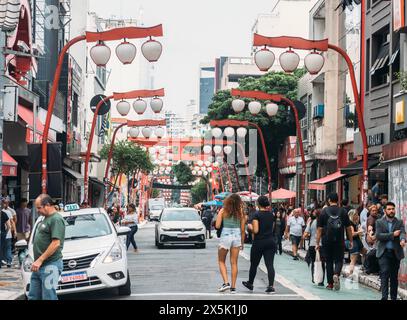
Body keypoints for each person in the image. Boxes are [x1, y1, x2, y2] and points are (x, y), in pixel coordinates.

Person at [28, 194, 65, 300]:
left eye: (39, 207)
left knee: (49, 297)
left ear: (47, 205)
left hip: (50, 265)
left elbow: (55, 243)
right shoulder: (45, 219)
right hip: (39, 266)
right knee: (33, 296)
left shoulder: (56, 219)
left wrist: (40, 260)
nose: (38, 210)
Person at [316, 193, 353, 291]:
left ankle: (330, 284)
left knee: (328, 261)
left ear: (329, 200)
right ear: (338, 200)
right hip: (339, 240)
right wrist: (350, 240)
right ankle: (336, 274)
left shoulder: (324, 212)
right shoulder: (343, 211)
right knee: (339, 260)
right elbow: (348, 228)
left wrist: (317, 243)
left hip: (326, 240)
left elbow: (319, 229)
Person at [242, 196, 277, 293]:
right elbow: (272, 228)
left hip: (259, 242)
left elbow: (256, 230)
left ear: (258, 204)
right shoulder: (271, 215)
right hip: (270, 241)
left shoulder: (256, 214)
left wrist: (249, 227)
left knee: (254, 264)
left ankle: (250, 283)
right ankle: (271, 286)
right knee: (270, 264)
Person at [375, 202, 406, 300]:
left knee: (393, 277)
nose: (391, 211)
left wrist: (402, 240)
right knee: (384, 273)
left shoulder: (399, 222)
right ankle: (384, 297)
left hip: (395, 253)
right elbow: (378, 236)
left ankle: (393, 297)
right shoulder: (379, 222)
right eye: (389, 209)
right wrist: (393, 234)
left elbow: (402, 233)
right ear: (385, 211)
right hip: (384, 252)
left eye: (393, 209)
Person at [216, 194, 246, 294]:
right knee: (234, 263)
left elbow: (217, 225)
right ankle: (233, 288)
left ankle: (226, 283)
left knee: (221, 260)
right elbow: (242, 230)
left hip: (225, 235)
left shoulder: (223, 210)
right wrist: (242, 243)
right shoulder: (240, 212)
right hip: (237, 236)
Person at [304, 208, 325, 286]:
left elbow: (305, 234)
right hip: (321, 245)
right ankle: (321, 281)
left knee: (314, 262)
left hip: (312, 245)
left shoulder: (311, 222)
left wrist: (309, 235)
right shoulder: (324, 222)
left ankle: (314, 278)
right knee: (322, 263)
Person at [347, 209, 366, 276]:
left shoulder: (355, 223)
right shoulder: (350, 223)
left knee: (364, 251)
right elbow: (351, 234)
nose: (358, 216)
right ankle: (350, 273)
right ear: (352, 215)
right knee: (353, 259)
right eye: (356, 214)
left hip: (357, 241)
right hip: (353, 242)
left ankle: (364, 266)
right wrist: (359, 232)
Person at [1, 198, 15, 267]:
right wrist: (14, 231)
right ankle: (8, 261)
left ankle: (4, 261)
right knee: (7, 248)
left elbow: (12, 223)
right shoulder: (8, 212)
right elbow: (12, 223)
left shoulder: (6, 212)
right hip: (6, 233)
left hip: (5, 233)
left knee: (4, 248)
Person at [0, 204, 11, 269]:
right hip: (2, 233)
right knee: (1, 248)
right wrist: (5, 232)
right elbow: (9, 226)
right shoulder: (4, 214)